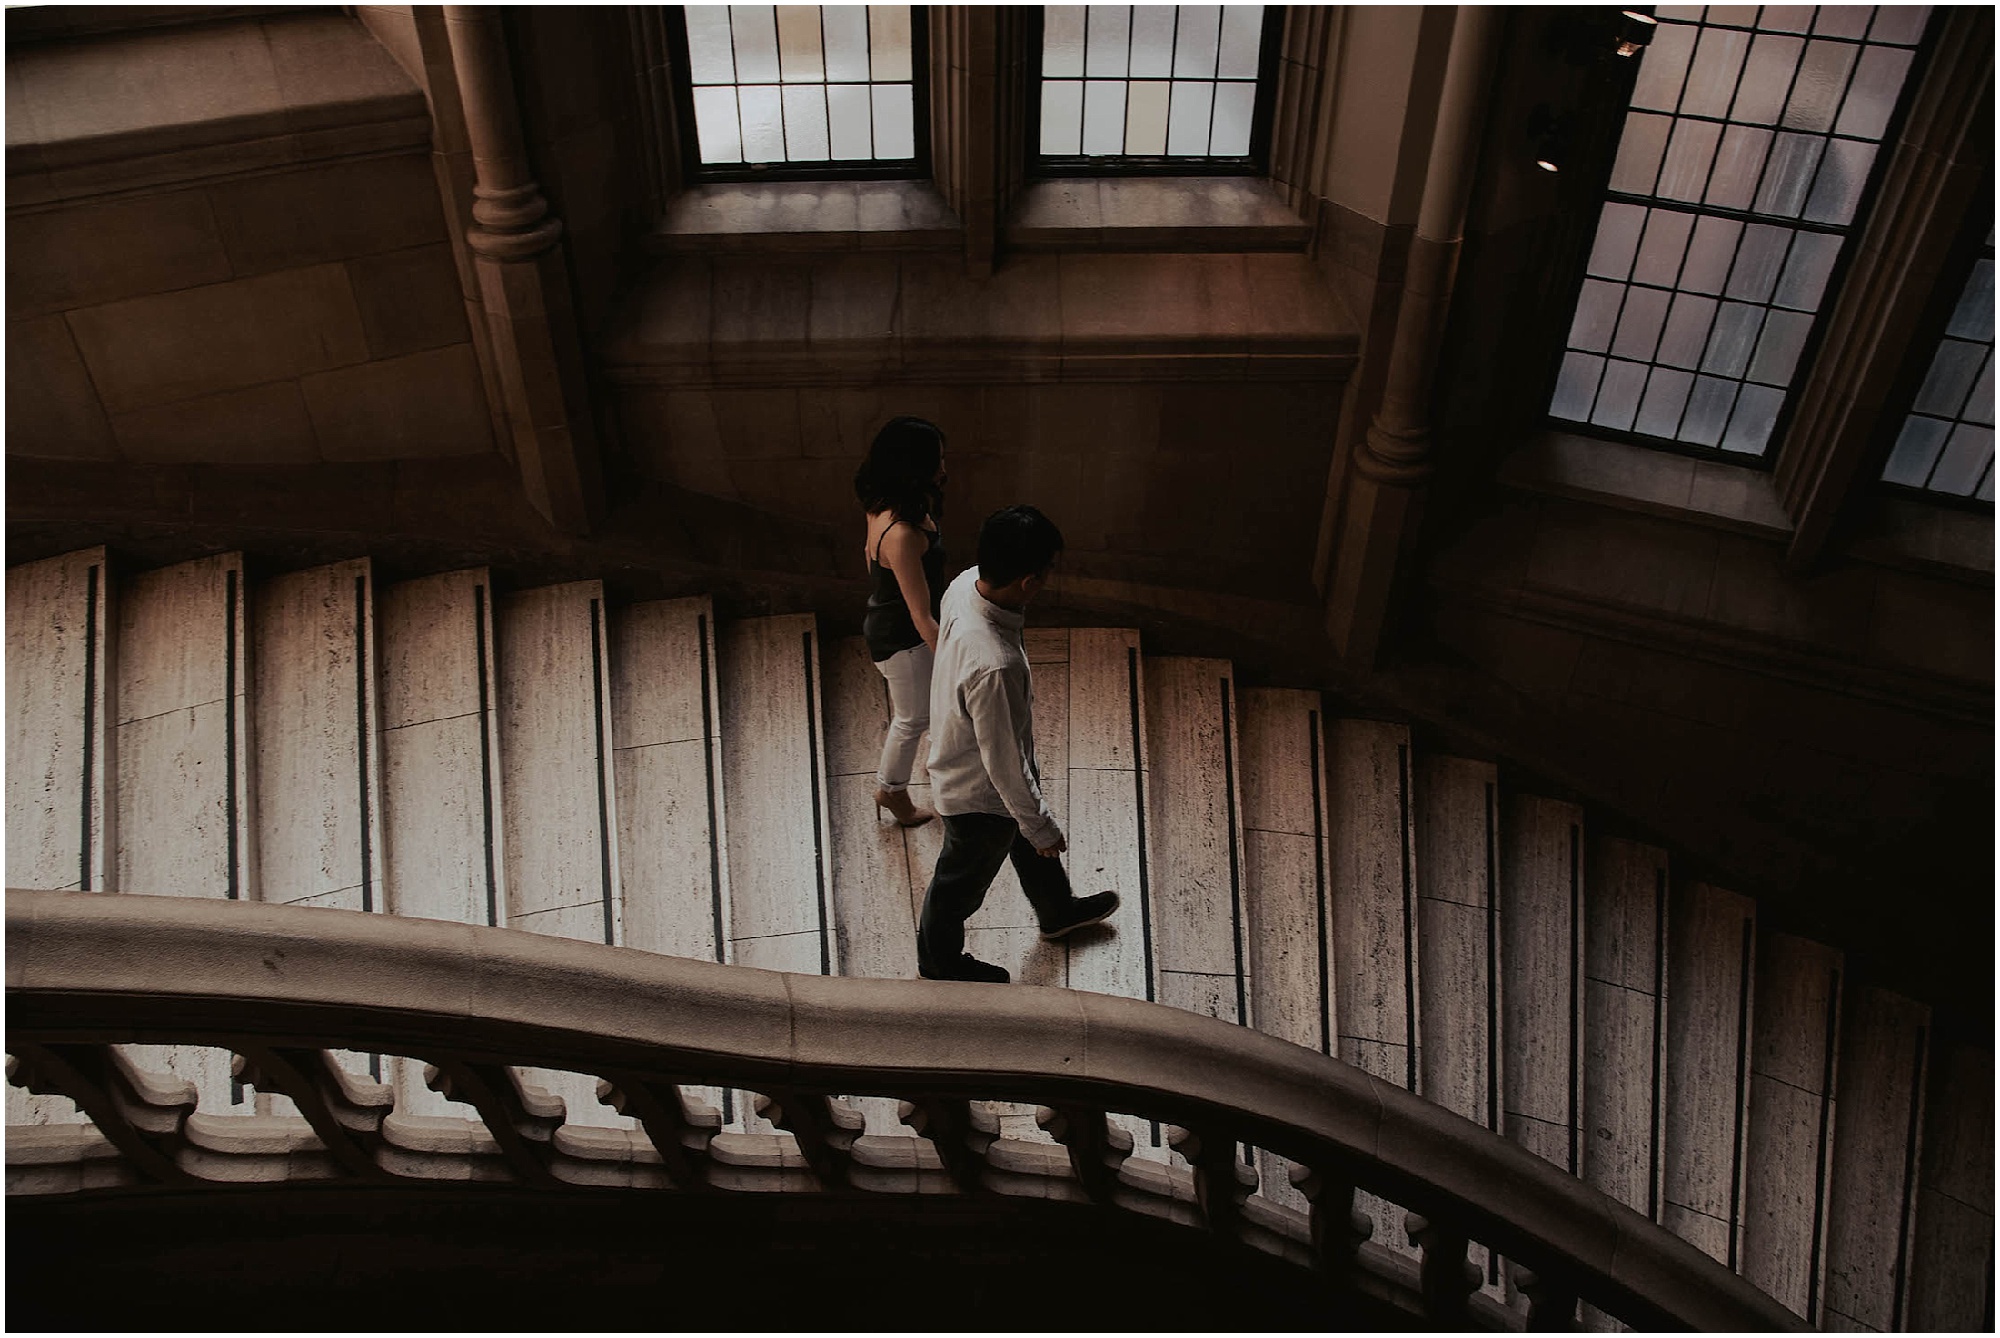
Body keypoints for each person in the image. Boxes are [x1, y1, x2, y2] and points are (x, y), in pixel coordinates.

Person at [916, 504, 1119, 983]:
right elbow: (1003, 764)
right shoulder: (995, 664)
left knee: (1027, 842)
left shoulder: (965, 584)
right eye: (1047, 570)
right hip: (978, 796)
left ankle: (1057, 910)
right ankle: (938, 962)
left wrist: (1032, 822)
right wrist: (1043, 825)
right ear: (1029, 580)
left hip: (981, 770)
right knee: (958, 884)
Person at [855, 416, 949, 827]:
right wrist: (954, 658)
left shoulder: (884, 506)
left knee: (927, 710)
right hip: (902, 639)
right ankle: (890, 791)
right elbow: (920, 614)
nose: (944, 469)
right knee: (912, 719)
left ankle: (938, 763)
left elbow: (867, 556)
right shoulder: (902, 533)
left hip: (890, 624)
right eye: (937, 462)